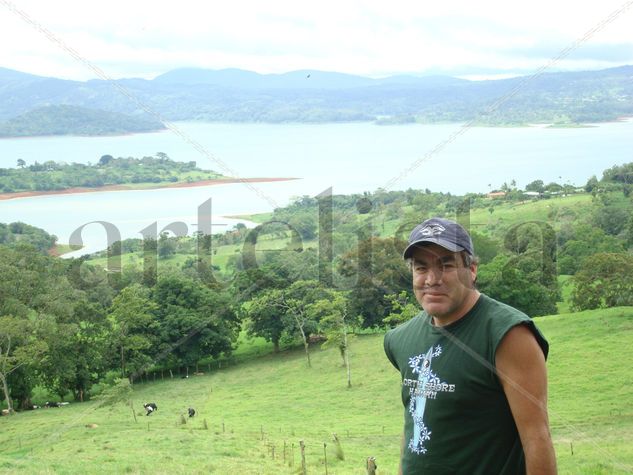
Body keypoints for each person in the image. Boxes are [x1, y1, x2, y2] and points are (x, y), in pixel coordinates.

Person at [384, 217, 557, 474]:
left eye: (446, 265)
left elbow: (536, 437)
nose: (432, 279)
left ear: (472, 269)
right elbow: (412, 426)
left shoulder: (508, 335)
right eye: (421, 268)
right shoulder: (400, 339)